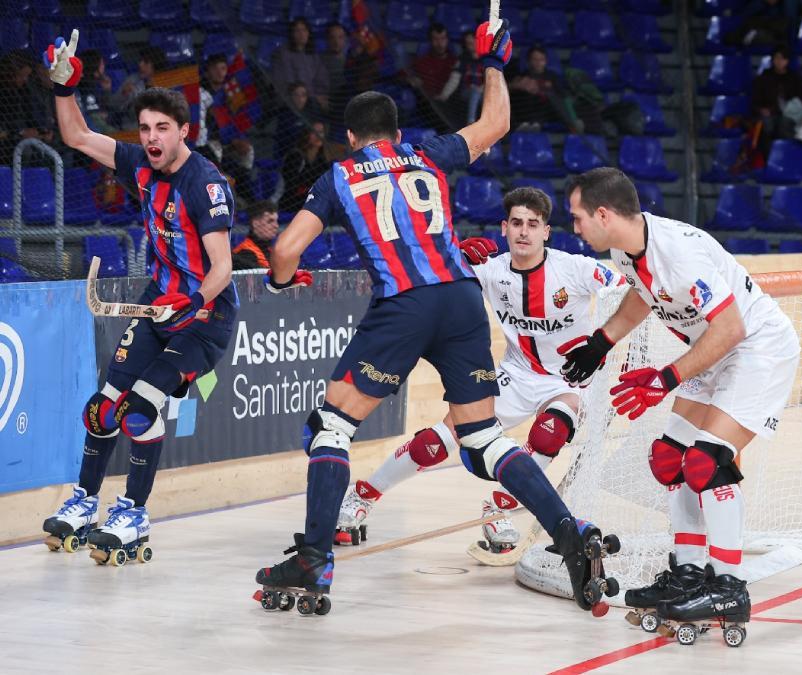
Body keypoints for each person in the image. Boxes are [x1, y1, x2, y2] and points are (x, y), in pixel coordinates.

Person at [253, 21, 614, 615]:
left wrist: (283, 280)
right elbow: (496, 123)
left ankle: (314, 557)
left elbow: (286, 250)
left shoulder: (338, 174)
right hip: (460, 302)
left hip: (404, 304)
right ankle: (570, 537)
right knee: (483, 436)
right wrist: (492, 62)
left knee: (331, 427)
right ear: (397, 133)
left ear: (350, 137)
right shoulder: (427, 153)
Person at [561, 167, 801, 638]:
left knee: (707, 463)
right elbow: (643, 295)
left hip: (757, 349)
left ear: (604, 214)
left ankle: (730, 586)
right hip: (717, 350)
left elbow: (732, 328)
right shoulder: (626, 248)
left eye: (577, 217)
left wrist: (667, 377)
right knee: (670, 459)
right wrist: (601, 342)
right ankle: (690, 574)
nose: (575, 227)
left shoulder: (680, 253)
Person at [39, 30, 238, 564]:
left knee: (141, 408)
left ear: (184, 131)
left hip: (204, 318)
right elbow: (79, 137)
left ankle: (133, 513)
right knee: (103, 408)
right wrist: (65, 87)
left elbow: (223, 267)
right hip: (157, 304)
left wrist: (193, 302)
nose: (151, 137)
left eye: (162, 129)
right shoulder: (141, 166)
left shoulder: (205, 184)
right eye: (146, 128)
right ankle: (84, 501)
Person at [335, 187, 625, 552]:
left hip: (568, 382)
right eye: (517, 223)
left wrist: (613, 345)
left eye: (533, 225)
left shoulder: (577, 268)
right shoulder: (490, 268)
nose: (524, 232)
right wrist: (455, 253)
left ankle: (498, 509)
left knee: (551, 433)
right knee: (435, 443)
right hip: (516, 376)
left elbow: (627, 290)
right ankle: (363, 495)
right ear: (503, 228)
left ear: (546, 232)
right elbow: (428, 267)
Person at [750, 47, 802, 154]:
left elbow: (801, 100)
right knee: (767, 124)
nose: (779, 61)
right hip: (769, 113)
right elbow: (755, 101)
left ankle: (787, 157)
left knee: (784, 124)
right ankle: (769, 159)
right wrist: (761, 110)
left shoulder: (795, 79)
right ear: (772, 60)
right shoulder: (763, 79)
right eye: (777, 58)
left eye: (783, 58)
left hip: (790, 114)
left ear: (787, 61)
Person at [405, 22, 460, 131]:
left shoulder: (455, 61)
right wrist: (412, 80)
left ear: (447, 40)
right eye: (436, 39)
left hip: (450, 104)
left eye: (443, 39)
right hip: (428, 106)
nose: (440, 43)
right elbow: (406, 76)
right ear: (430, 41)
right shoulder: (421, 62)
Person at [271, 18, 330, 114]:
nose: (301, 34)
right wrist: (306, 96)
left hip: (312, 100)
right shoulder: (282, 54)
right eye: (297, 30)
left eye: (304, 30)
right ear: (292, 34)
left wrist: (319, 96)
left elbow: (322, 81)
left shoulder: (314, 56)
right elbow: (282, 83)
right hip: (291, 101)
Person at [506, 46, 570, 132]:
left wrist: (542, 87)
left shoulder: (552, 77)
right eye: (535, 59)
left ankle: (535, 123)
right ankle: (525, 124)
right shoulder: (522, 76)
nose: (538, 63)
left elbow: (562, 96)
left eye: (541, 59)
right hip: (525, 111)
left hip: (547, 112)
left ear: (546, 61)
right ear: (529, 61)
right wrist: (517, 85)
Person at [276, 121, 332, 214]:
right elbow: (290, 187)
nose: (319, 135)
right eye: (314, 132)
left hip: (312, 202)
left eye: (321, 132)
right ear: (306, 134)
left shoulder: (321, 159)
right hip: (291, 203)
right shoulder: (296, 156)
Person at [113, 46, 166, 127]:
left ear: (155, 64)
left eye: (145, 62)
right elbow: (114, 105)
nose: (140, 64)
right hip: (132, 126)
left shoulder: (166, 82)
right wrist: (124, 93)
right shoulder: (132, 79)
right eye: (140, 61)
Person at [232, 201, 280, 270]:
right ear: (255, 223)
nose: (276, 226)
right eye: (270, 221)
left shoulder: (270, 250)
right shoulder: (246, 252)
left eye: (276, 221)